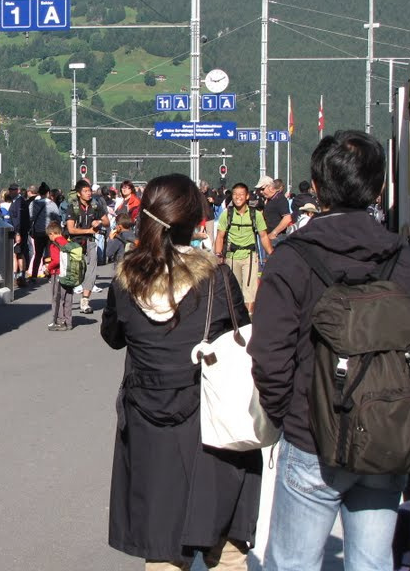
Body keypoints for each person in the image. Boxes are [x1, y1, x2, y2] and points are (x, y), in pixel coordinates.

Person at [249, 131, 410, 571]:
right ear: (379, 188)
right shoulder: (404, 261)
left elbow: (269, 355)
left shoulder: (292, 260)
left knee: (292, 563)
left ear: (317, 188)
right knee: (371, 562)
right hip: (387, 438)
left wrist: (293, 414)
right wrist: (403, 406)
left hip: (312, 437)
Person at [102, 173, 261, 571]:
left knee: (161, 548)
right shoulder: (216, 278)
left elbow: (113, 336)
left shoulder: (126, 281)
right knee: (224, 549)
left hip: (148, 422)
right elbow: (239, 338)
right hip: (211, 424)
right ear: (196, 221)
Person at [213, 183, 272, 315]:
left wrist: (271, 254)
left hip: (250, 257)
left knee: (249, 290)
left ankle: (247, 316)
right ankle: (236, 318)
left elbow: (263, 236)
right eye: (235, 194)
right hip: (231, 257)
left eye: (241, 194)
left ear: (247, 196)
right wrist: (218, 255)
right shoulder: (226, 215)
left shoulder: (255, 214)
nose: (237, 197)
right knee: (234, 289)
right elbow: (220, 237)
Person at [65, 179, 109, 315]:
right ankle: (66, 301)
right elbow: (71, 229)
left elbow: (107, 222)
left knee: (91, 272)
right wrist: (88, 230)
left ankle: (85, 301)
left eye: (89, 190)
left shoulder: (95, 206)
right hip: (75, 244)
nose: (89, 193)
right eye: (85, 191)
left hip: (90, 243)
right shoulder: (73, 207)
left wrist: (99, 221)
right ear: (79, 194)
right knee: (74, 273)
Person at [44, 221, 73, 331]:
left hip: (58, 274)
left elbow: (56, 260)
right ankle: (69, 321)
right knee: (68, 298)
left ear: (52, 233)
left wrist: (48, 268)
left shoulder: (54, 244)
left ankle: (60, 321)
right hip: (70, 274)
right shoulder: (67, 242)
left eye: (49, 235)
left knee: (57, 298)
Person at [27, 182, 58, 282]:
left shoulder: (33, 204)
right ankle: (49, 274)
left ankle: (34, 275)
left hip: (37, 232)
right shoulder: (52, 204)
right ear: (48, 193)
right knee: (49, 254)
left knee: (38, 254)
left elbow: (30, 218)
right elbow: (57, 218)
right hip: (50, 233)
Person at [260, 178, 293, 246]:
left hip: (277, 239)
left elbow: (287, 218)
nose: (261, 192)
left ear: (271, 188)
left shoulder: (280, 199)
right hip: (269, 238)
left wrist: (274, 233)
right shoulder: (269, 200)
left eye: (262, 189)